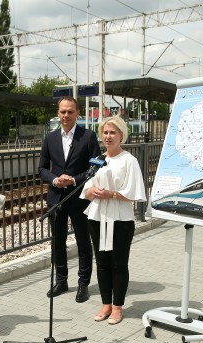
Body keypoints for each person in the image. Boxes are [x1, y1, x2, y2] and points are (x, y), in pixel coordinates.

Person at [80, 116, 146, 324]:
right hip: (97, 216)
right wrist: (91, 190)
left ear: (121, 135)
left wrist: (113, 194)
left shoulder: (129, 160)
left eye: (112, 133)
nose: (108, 137)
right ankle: (105, 304)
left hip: (120, 218)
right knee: (101, 263)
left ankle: (118, 306)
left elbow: (135, 192)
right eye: (105, 133)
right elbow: (86, 189)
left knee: (118, 263)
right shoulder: (98, 159)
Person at [38, 97, 101, 303]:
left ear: (77, 113)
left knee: (84, 242)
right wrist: (56, 180)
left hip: (80, 197)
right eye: (62, 112)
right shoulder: (50, 138)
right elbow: (42, 168)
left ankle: (83, 284)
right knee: (58, 242)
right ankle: (62, 280)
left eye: (70, 112)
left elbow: (97, 166)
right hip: (56, 198)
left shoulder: (88, 136)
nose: (66, 115)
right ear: (58, 113)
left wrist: (74, 180)